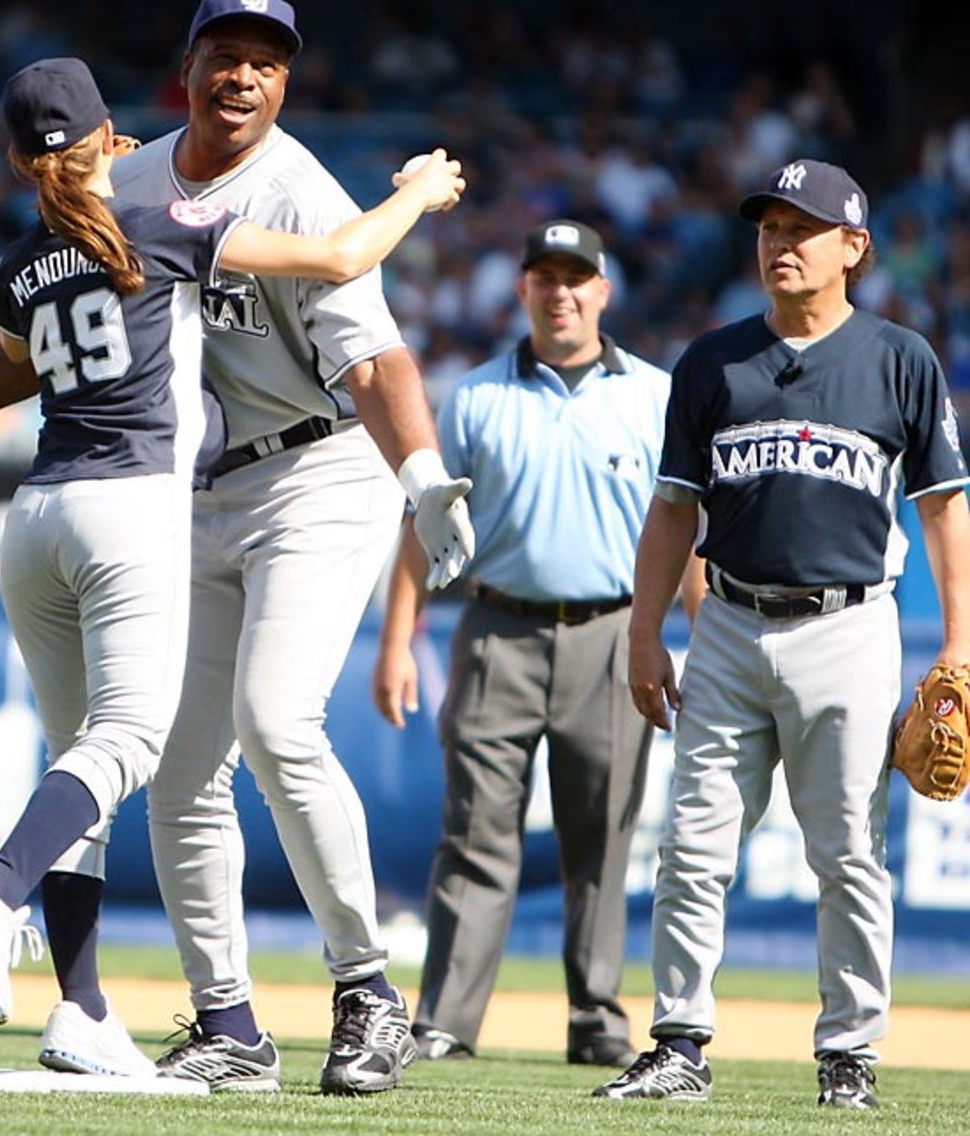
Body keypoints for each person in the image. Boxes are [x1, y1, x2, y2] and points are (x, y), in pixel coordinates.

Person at [0, 0, 475, 1098]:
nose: (244, 74)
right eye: (226, 51)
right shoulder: (145, 183)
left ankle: (366, 993)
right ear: (186, 65)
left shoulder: (291, 185)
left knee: (271, 719)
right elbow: (19, 357)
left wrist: (420, 474)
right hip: (175, 490)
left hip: (315, 467)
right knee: (171, 765)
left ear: (287, 79)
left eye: (267, 58)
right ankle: (228, 1021)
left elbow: (374, 358)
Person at [594, 160, 970, 1108]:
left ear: (854, 248)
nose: (780, 243)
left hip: (849, 627)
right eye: (768, 226)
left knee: (847, 850)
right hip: (724, 622)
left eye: (804, 228)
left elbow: (943, 510)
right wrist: (646, 635)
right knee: (691, 845)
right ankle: (679, 1043)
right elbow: (673, 510)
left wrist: (960, 641)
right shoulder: (712, 360)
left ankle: (850, 1056)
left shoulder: (899, 359)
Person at [373, 219, 701, 1068]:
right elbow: (428, 524)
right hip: (498, 630)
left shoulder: (657, 396)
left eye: (575, 277)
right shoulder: (477, 396)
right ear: (522, 289)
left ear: (603, 290)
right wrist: (397, 635)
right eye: (544, 277)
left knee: (604, 838)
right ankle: (446, 1019)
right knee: (476, 833)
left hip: (615, 634)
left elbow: (682, 532)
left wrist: (701, 638)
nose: (560, 292)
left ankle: (597, 1018)